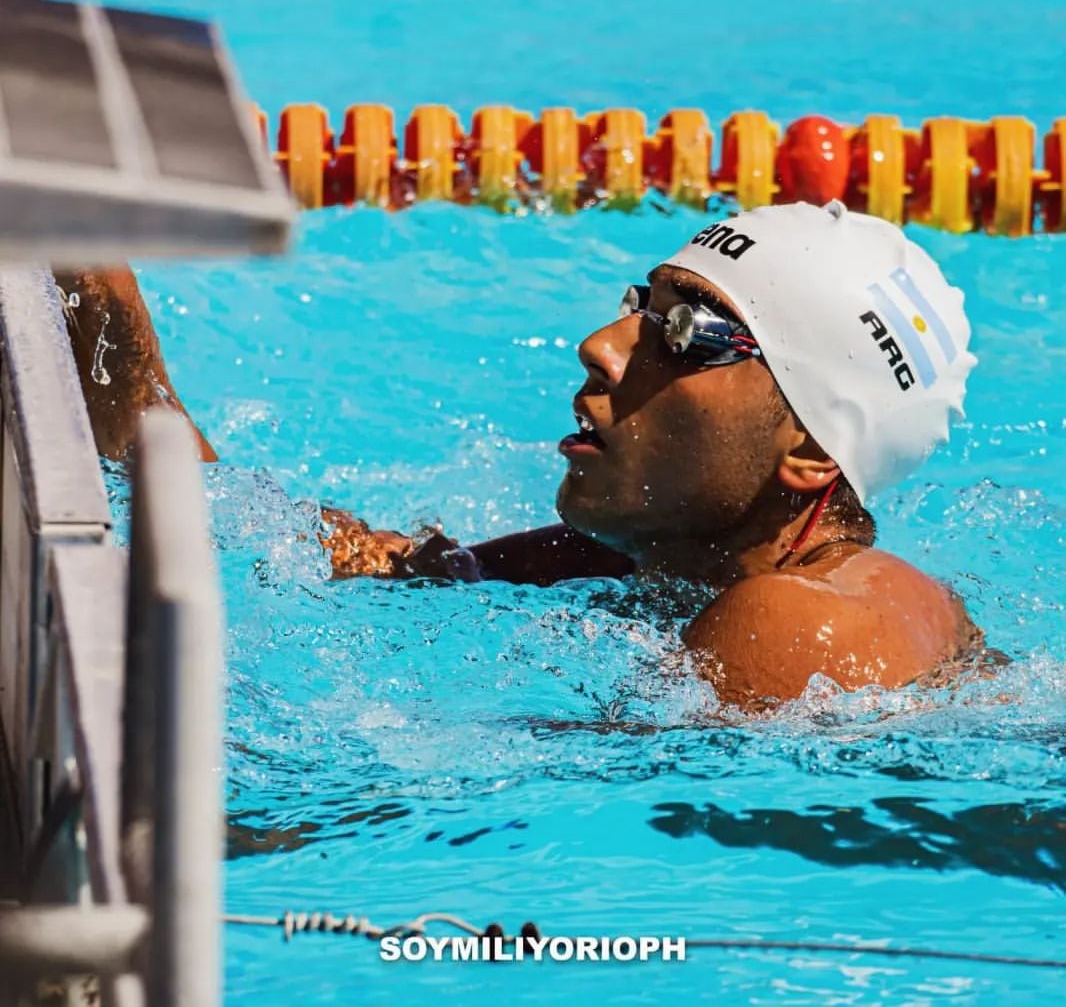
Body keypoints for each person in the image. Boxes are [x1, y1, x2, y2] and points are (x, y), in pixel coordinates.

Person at [57, 200, 989, 710]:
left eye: (686, 332)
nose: (604, 344)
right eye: (638, 303)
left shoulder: (790, 630)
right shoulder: (642, 565)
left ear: (813, 454)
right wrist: (117, 342)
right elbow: (347, 557)